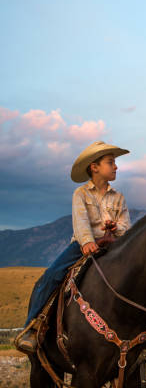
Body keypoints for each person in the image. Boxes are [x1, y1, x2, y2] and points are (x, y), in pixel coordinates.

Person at [15, 141, 131, 353]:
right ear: (94, 167)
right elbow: (80, 222)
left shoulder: (119, 197)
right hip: (83, 246)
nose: (116, 167)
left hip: (113, 246)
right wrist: (87, 241)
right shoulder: (81, 194)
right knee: (51, 275)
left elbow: (126, 225)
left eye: (115, 163)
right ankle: (33, 327)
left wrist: (117, 227)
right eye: (111, 162)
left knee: (138, 273)